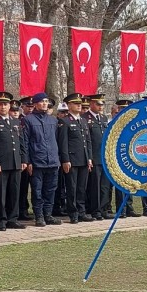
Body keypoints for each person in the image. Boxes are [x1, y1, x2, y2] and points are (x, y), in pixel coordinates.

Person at [0, 91, 26, 231]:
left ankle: (12, 219)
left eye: (5, 104)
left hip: (15, 162)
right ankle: (1, 220)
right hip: (1, 164)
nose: (3, 107)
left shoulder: (16, 121)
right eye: (0, 104)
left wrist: (24, 159)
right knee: (0, 194)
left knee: (14, 192)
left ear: (9, 106)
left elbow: (21, 142)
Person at [23, 93, 63, 226]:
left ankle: (48, 214)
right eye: (42, 101)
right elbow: (25, 142)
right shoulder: (28, 120)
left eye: (46, 101)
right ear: (35, 104)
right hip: (37, 161)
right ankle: (39, 216)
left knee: (50, 190)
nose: (45, 104)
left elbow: (56, 140)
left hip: (52, 161)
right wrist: (28, 161)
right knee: (37, 191)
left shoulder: (53, 120)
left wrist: (57, 158)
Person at [58, 93, 91, 223]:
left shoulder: (83, 120)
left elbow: (87, 141)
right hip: (72, 160)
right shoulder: (65, 121)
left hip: (83, 159)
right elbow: (63, 143)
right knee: (71, 187)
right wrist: (65, 160)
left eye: (80, 104)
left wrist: (89, 158)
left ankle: (81, 211)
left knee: (82, 188)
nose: (79, 106)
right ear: (69, 105)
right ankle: (73, 213)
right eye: (76, 104)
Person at [84, 94, 108, 220]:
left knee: (104, 185)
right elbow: (86, 140)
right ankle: (95, 210)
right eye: (98, 104)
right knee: (95, 186)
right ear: (92, 103)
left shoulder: (103, 118)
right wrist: (89, 157)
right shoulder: (85, 118)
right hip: (94, 156)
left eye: (102, 104)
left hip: (104, 157)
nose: (101, 107)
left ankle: (103, 209)